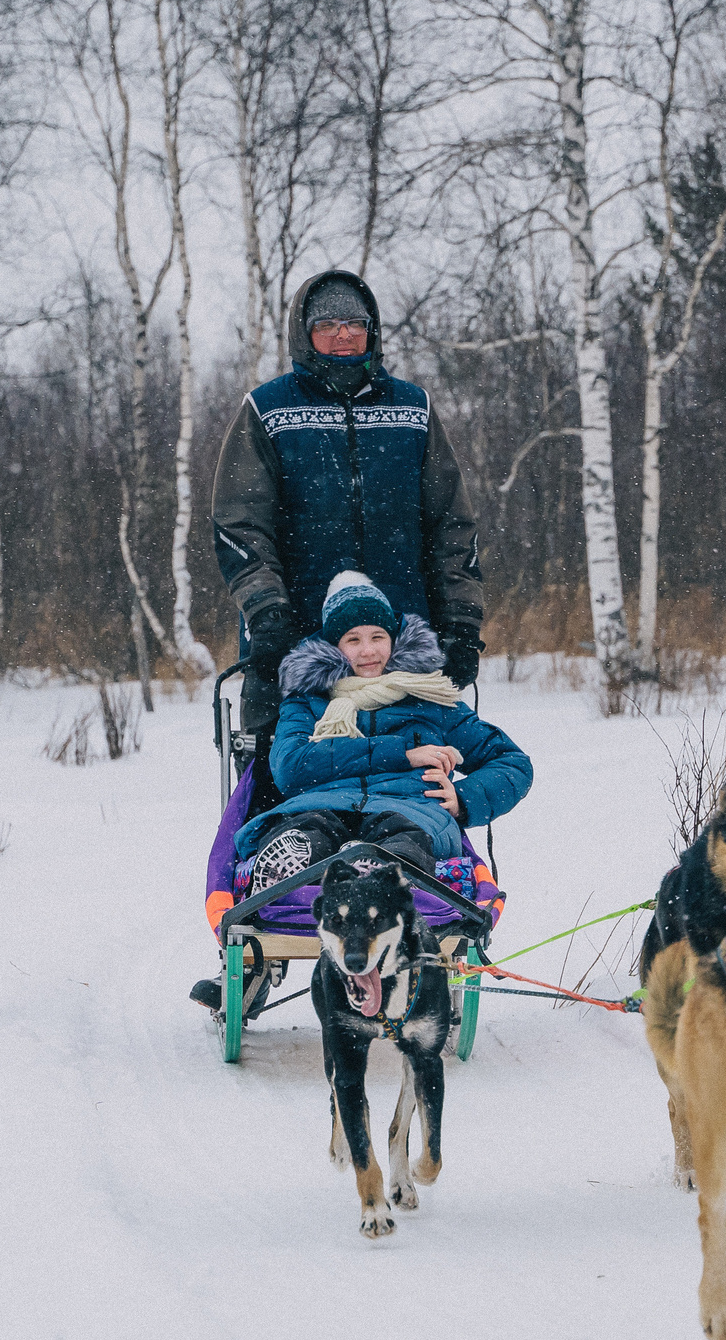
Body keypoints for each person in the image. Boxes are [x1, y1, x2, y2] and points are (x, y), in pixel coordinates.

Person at [211, 269, 486, 742]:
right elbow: (239, 525)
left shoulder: (412, 409)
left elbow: (451, 527)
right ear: (305, 334)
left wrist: (461, 621)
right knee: (292, 780)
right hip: (296, 637)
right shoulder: (267, 410)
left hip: (401, 641)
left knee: (409, 775)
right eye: (327, 324)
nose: (342, 334)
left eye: (354, 323)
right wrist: (266, 610)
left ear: (371, 331)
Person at [237, 571, 531, 892]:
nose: (368, 651)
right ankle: (290, 870)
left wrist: (464, 799)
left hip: (409, 809)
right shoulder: (308, 700)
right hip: (320, 805)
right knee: (309, 830)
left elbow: (512, 761)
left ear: (393, 639)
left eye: (377, 636)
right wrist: (402, 754)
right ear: (335, 646)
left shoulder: (429, 698)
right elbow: (290, 767)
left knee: (404, 836)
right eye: (353, 639)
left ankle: (384, 875)